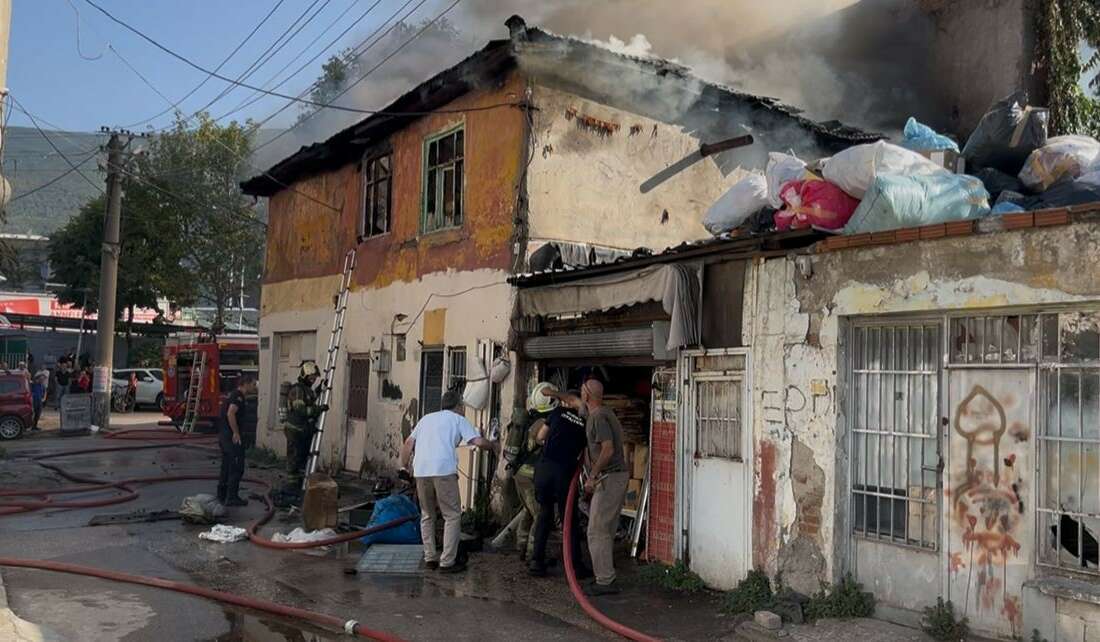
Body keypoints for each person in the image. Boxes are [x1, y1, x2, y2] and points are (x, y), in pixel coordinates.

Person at [399, 390, 496, 573]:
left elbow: (408, 443)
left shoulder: (426, 419)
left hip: (421, 472)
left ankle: (429, 558)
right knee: (451, 515)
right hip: (443, 472)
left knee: (427, 515)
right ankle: (447, 562)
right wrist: (494, 446)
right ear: (459, 406)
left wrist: (405, 467)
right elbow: (478, 441)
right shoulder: (458, 419)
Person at [528, 390, 589, 577]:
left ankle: (536, 562)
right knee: (568, 520)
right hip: (565, 473)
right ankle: (575, 567)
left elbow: (539, 437)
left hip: (544, 470)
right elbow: (586, 456)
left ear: (565, 403)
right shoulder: (586, 423)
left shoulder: (556, 414)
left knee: (544, 515)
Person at [581, 378, 629, 595]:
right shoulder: (604, 412)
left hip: (609, 478)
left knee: (597, 530)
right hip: (616, 477)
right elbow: (573, 402)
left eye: (582, 392)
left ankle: (605, 581)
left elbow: (607, 450)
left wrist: (592, 475)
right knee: (606, 529)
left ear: (587, 395)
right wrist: (555, 396)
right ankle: (606, 575)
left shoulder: (598, 417)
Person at [282, 361, 326, 493]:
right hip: (294, 430)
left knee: (302, 459)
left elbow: (310, 400)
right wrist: (318, 409)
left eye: (315, 378)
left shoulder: (307, 390)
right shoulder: (297, 390)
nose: (313, 380)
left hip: (303, 431)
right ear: (304, 376)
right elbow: (301, 410)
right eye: (311, 378)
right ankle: (292, 487)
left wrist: (320, 388)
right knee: (294, 460)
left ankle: (299, 484)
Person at [217, 374, 258, 506]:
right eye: (253, 384)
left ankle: (222, 495)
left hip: (224, 437)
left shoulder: (232, 395)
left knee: (226, 466)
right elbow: (231, 413)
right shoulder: (238, 397)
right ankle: (232, 497)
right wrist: (236, 433)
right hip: (231, 438)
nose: (254, 387)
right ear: (246, 383)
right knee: (236, 467)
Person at [30, 367, 48, 431]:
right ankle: (32, 426)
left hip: (39, 401)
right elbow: (30, 392)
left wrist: (44, 398)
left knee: (38, 414)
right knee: (33, 414)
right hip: (34, 401)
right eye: (41, 378)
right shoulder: (33, 384)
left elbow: (45, 392)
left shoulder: (42, 385)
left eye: (43, 379)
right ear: (38, 379)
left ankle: (35, 426)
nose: (42, 380)